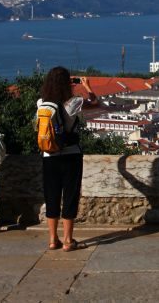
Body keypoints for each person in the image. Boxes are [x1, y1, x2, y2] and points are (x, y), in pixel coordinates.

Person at [38, 66, 98, 251]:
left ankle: (52, 239)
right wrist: (87, 86)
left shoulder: (42, 103)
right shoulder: (74, 102)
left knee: (52, 196)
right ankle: (68, 240)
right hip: (71, 154)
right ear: (67, 83)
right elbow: (94, 102)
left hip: (49, 155)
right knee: (70, 195)